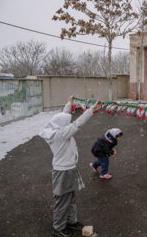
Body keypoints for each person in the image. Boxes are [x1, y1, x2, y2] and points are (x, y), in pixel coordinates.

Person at [39, 95, 102, 237]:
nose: (69, 123)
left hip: (68, 169)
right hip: (63, 172)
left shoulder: (56, 130)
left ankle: (71, 221)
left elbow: (64, 117)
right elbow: (78, 124)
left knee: (70, 197)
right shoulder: (61, 134)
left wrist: (69, 103)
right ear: (62, 126)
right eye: (66, 123)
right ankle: (59, 228)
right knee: (63, 200)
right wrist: (92, 109)